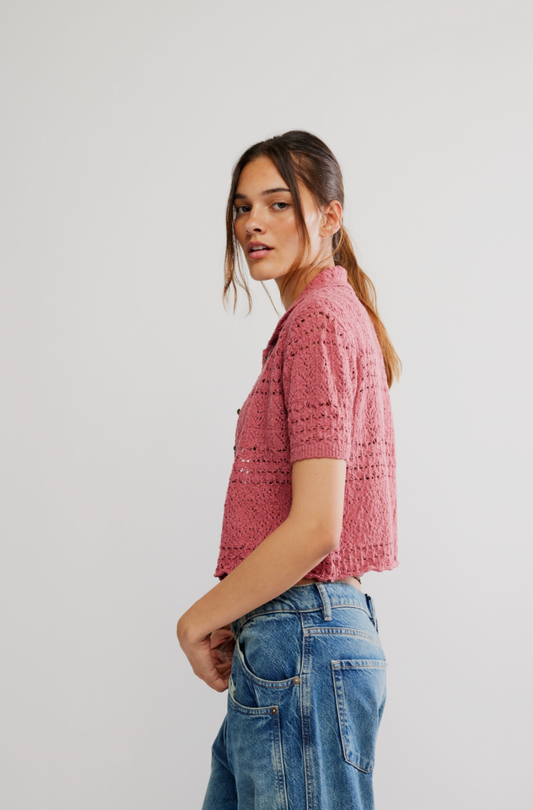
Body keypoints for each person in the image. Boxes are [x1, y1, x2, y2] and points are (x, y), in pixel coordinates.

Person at [177, 130, 400, 810]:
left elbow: (315, 528)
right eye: (242, 207)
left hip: (300, 639)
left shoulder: (318, 323)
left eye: (278, 204)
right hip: (295, 640)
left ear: (330, 216)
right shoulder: (326, 318)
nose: (253, 223)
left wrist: (195, 621)